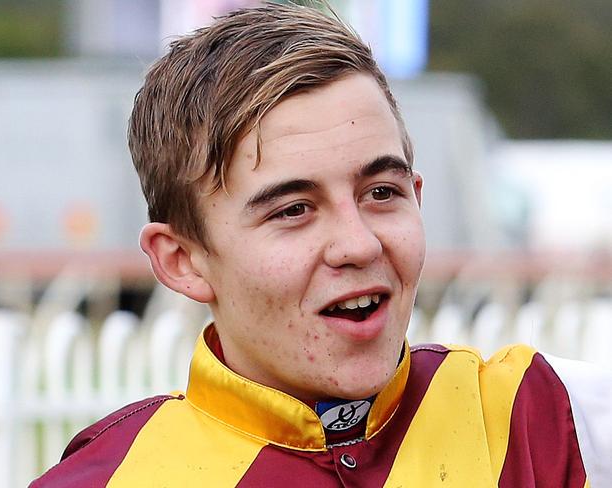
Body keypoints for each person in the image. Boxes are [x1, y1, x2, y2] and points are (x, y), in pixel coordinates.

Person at [31, 3, 611, 487]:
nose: (358, 244)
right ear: (182, 260)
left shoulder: (547, 417)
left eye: (381, 192)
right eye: (293, 210)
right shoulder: (115, 477)